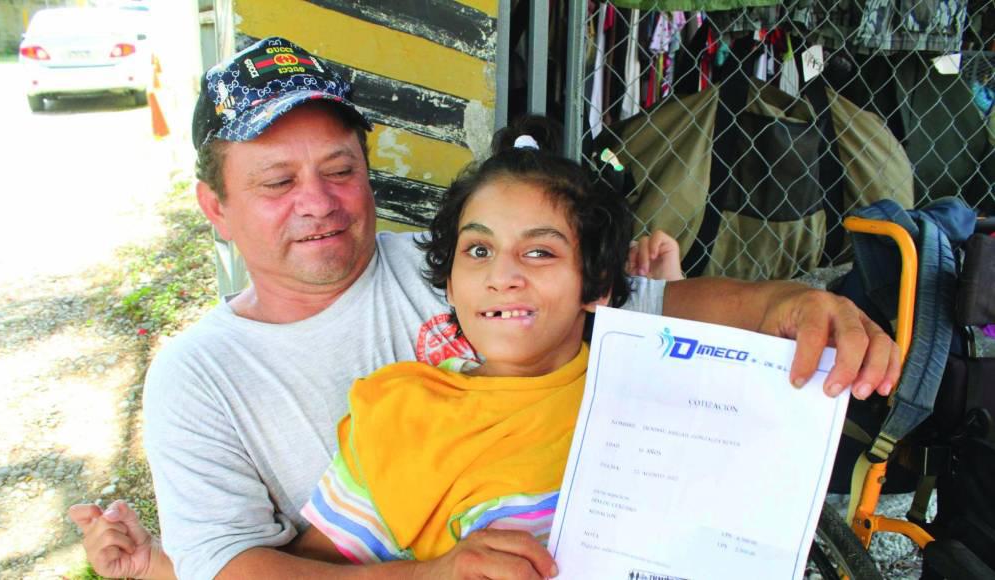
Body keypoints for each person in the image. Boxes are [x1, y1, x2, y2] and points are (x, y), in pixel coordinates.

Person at [68, 36, 899, 580]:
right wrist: (437, 574)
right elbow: (236, 570)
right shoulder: (201, 377)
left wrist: (789, 303)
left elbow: (660, 305)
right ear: (215, 208)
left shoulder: (462, 267)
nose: (318, 201)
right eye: (278, 181)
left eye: (340, 170)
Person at [294, 118, 638, 564]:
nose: (502, 276)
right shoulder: (402, 417)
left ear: (596, 286)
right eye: (479, 250)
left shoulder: (640, 403)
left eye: (539, 252)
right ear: (451, 286)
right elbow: (316, 569)